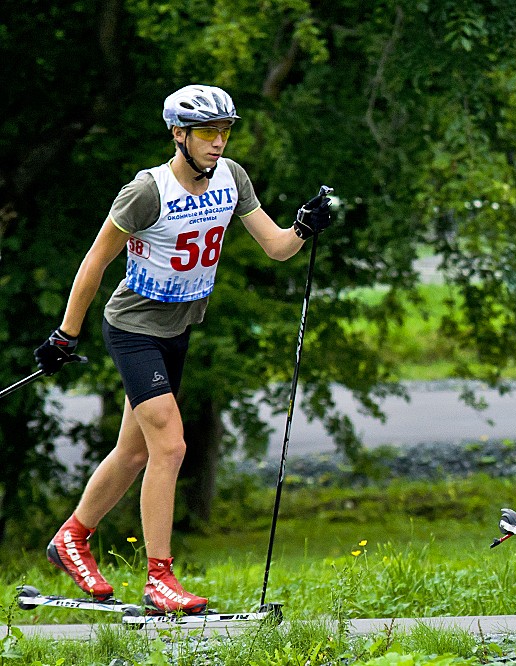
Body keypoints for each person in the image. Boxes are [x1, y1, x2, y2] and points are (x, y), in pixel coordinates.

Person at [34, 85, 334, 614]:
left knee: (134, 451)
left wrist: (305, 228)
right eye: (207, 133)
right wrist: (66, 333)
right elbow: (94, 261)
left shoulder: (232, 177)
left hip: (179, 328)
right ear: (180, 135)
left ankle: (71, 538)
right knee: (170, 446)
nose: (218, 143)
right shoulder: (146, 192)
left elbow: (278, 248)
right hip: (134, 328)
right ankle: (159, 579)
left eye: (225, 131)